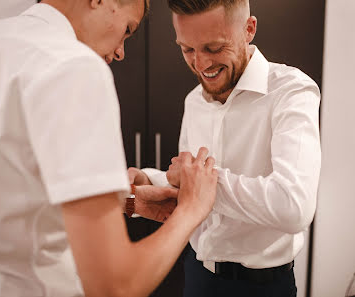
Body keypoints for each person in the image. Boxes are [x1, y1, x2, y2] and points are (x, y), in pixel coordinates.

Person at [0, 0, 218, 296]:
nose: (121, 52)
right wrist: (191, 210)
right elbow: (114, 286)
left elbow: (10, 191)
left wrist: (128, 201)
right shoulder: (73, 66)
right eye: (127, 30)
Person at [127, 0, 322, 296]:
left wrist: (204, 186)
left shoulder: (291, 92)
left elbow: (294, 207)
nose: (201, 64)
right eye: (187, 49)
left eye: (214, 48)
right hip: (196, 275)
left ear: (249, 29)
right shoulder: (194, 100)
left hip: (262, 287)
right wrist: (151, 180)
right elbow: (189, 188)